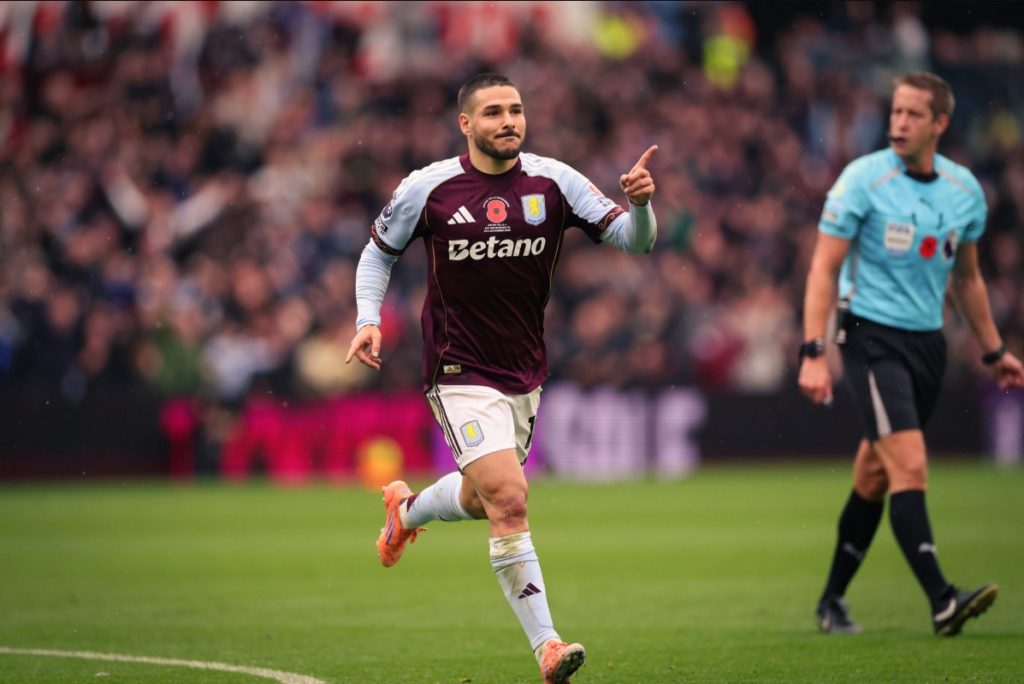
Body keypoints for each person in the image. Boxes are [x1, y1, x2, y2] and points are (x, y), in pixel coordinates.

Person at [345, 73, 657, 682]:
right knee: (510, 499)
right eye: (493, 112)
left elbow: (633, 243)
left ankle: (404, 513)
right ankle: (548, 646)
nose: (509, 120)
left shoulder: (554, 180)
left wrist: (642, 205)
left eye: (515, 110)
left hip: (523, 369)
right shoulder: (428, 187)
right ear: (466, 124)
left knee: (482, 495)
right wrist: (367, 319)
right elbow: (378, 250)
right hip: (456, 366)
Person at [798, 71, 1024, 637]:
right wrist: (813, 350)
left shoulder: (965, 191)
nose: (898, 123)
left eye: (912, 114)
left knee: (876, 475)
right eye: (895, 111)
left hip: (928, 344)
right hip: (869, 338)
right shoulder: (862, 181)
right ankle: (943, 600)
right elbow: (823, 268)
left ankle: (831, 601)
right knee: (911, 464)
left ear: (940, 124)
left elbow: (968, 279)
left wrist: (994, 350)